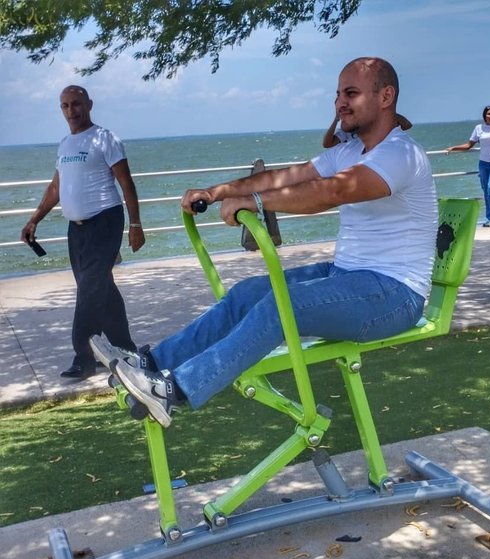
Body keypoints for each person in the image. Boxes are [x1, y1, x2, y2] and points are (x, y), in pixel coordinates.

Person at [90, 56, 439, 428]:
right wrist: (218, 190)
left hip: (396, 295)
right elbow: (283, 179)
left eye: (350, 93)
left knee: (281, 306)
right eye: (337, 94)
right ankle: (151, 365)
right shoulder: (349, 152)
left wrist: (255, 205)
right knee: (246, 294)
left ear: (386, 96)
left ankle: (172, 391)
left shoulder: (401, 154)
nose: (340, 103)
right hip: (349, 276)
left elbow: (332, 192)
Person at [20, 85, 145, 379]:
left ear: (89, 105)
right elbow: (56, 188)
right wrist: (34, 218)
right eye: (64, 106)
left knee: (89, 291)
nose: (70, 111)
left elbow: (126, 183)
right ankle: (125, 349)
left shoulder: (105, 139)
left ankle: (84, 358)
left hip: (105, 222)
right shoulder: (65, 144)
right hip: (76, 231)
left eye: (76, 104)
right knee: (102, 289)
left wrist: (136, 224)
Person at [447, 106, 490, 227]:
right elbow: (468, 145)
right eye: (489, 114)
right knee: (487, 191)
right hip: (483, 163)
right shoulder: (478, 128)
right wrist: (453, 148)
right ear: (484, 115)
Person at [323, 112, 412, 148]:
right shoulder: (345, 132)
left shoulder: (374, 125)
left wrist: (386, 110)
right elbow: (327, 144)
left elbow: (407, 125)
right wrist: (336, 120)